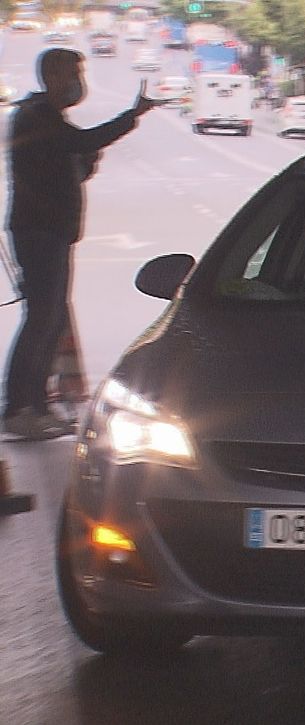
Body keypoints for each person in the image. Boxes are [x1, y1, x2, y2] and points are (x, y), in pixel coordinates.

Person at [4, 48, 158, 440]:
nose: (78, 81)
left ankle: (36, 405)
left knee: (49, 320)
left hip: (51, 232)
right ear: (52, 75)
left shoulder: (47, 118)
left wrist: (85, 161)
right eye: (74, 72)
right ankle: (20, 407)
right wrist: (132, 116)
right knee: (42, 319)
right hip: (40, 233)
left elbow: (71, 161)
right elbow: (81, 143)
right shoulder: (35, 117)